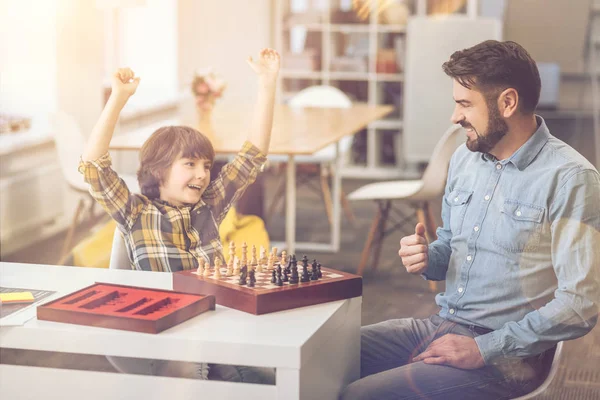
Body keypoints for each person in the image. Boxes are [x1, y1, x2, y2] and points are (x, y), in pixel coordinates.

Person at [341, 40, 600, 399]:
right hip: (441, 326)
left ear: (508, 103)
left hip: (509, 359)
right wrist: (428, 257)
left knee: (359, 395)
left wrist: (484, 349)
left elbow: (581, 304)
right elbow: (450, 246)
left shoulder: (571, 178)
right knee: (320, 354)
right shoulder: (465, 159)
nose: (455, 116)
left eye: (465, 104)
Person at [79, 48, 280, 383]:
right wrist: (118, 98)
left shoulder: (211, 204)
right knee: (203, 370)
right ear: (158, 171)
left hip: (218, 326)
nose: (202, 174)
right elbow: (94, 166)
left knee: (268, 380)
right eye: (190, 165)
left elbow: (253, 155)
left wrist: (268, 83)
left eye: (205, 165)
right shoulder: (136, 212)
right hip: (168, 335)